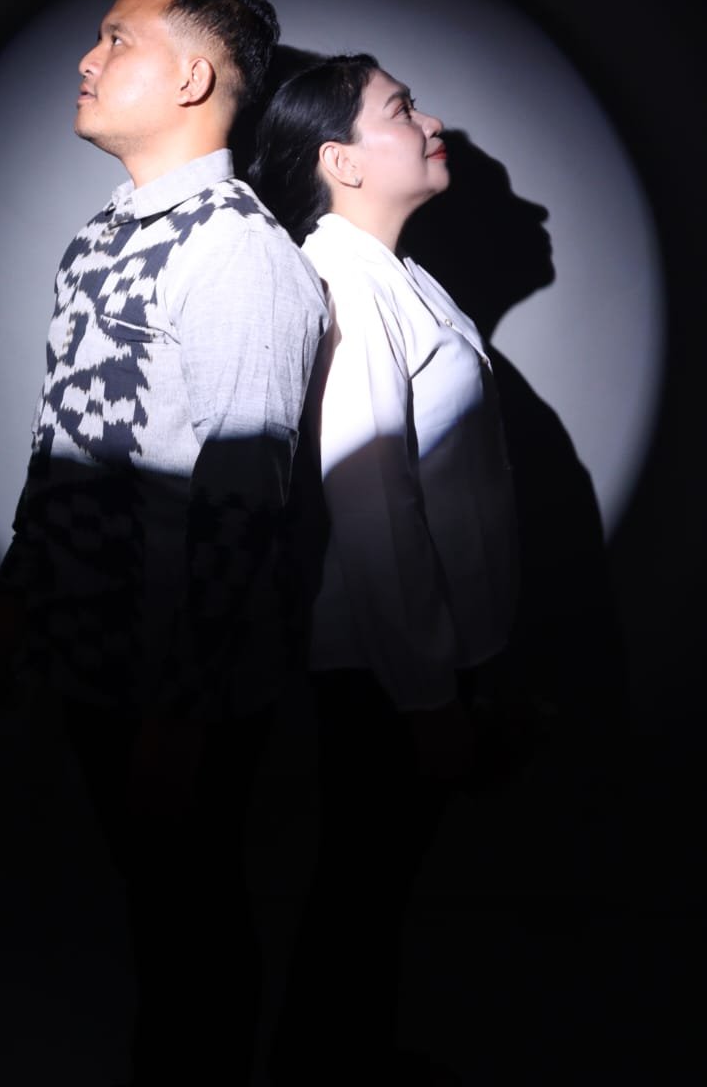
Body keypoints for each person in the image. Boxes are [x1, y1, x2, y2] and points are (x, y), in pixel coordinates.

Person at [0, 0, 330, 1087]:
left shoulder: (239, 254)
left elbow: (246, 502)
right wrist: (17, 598)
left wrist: (183, 711)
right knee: (155, 919)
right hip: (91, 660)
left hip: (180, 682)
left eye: (116, 39)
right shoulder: (98, 237)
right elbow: (63, 440)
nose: (86, 60)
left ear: (192, 78)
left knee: (194, 931)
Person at [248, 53, 521, 1086]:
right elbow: (373, 512)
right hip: (384, 668)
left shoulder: (391, 273)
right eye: (401, 109)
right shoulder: (350, 288)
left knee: (371, 891)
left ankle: (347, 1058)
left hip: (408, 660)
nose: (430, 120)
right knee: (360, 890)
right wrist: (426, 695)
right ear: (342, 162)